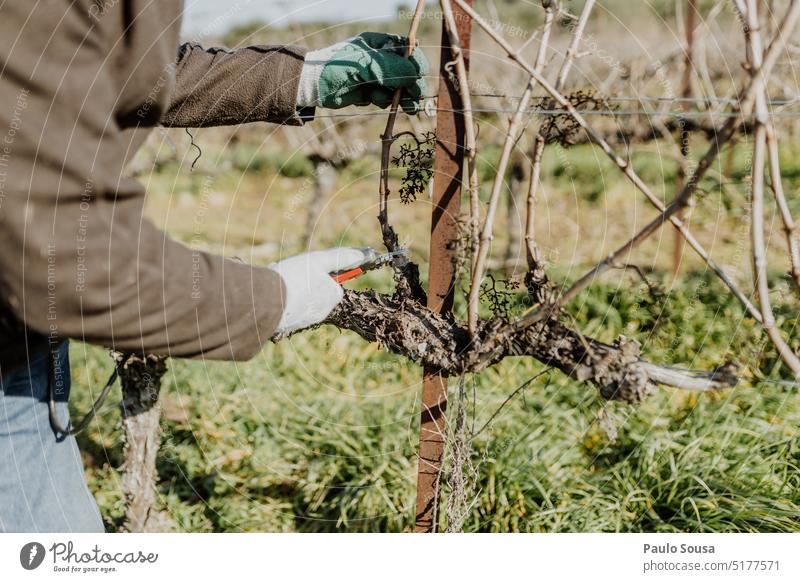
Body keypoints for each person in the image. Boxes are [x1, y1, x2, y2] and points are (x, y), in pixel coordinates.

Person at [0, 1, 428, 533]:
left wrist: (304, 78)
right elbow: (58, 251)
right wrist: (275, 299)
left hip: (19, 350)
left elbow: (121, 70)